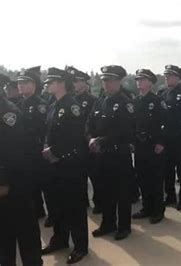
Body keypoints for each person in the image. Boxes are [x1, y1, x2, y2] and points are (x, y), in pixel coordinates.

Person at [40, 68, 88, 264]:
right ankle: (59, 239)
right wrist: (47, 148)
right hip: (54, 165)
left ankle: (80, 246)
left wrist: (56, 153)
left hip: (70, 164)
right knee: (57, 206)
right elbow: (49, 132)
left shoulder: (71, 106)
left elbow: (75, 139)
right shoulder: (54, 104)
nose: (48, 84)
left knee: (74, 207)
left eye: (51, 81)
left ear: (61, 83)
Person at [86, 65, 135, 240]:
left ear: (119, 81)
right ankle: (108, 223)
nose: (106, 84)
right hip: (101, 156)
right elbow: (89, 124)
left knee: (122, 193)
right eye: (104, 80)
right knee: (105, 191)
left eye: (110, 80)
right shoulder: (100, 101)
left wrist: (103, 140)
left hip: (118, 154)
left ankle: (124, 226)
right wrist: (91, 138)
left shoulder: (125, 102)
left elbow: (127, 131)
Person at [0, 87, 43, 266]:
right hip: (9, 181)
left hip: (13, 184)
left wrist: (3, 181)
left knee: (23, 228)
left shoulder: (8, 113)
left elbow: (12, 151)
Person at [16, 66, 54, 226]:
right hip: (25, 153)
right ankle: (38, 210)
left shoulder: (40, 105)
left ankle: (53, 214)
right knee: (31, 185)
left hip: (38, 152)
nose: (21, 85)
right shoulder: (20, 104)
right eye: (20, 83)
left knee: (46, 186)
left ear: (34, 85)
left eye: (25, 82)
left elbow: (42, 130)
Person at [131, 69, 166, 223]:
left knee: (155, 179)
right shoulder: (135, 101)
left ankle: (158, 210)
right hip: (140, 145)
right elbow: (133, 124)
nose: (139, 82)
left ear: (150, 82)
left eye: (143, 79)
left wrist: (161, 142)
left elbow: (165, 123)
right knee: (142, 177)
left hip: (154, 145)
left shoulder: (157, 101)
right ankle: (147, 207)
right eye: (137, 79)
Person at [159, 65, 181, 210]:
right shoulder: (163, 93)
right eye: (166, 76)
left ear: (178, 78)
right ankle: (170, 196)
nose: (167, 78)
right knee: (168, 169)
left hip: (180, 137)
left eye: (170, 76)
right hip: (167, 137)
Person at [66, 66, 100, 211]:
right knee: (79, 178)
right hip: (76, 146)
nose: (75, 84)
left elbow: (95, 123)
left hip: (89, 144)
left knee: (95, 176)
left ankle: (99, 202)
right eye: (73, 81)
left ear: (85, 83)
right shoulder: (70, 100)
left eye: (78, 81)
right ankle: (83, 201)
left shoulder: (93, 100)